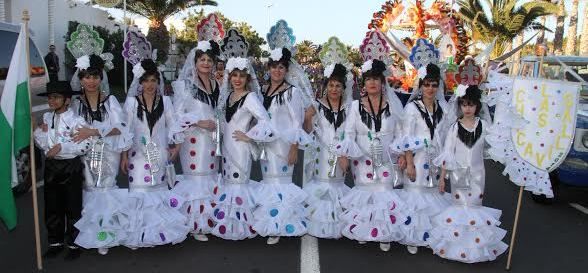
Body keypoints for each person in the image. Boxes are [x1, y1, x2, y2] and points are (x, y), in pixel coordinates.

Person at [429, 85, 508, 263]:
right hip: (458, 174)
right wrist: (442, 178)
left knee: (474, 207)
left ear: (477, 106)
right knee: (460, 207)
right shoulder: (454, 128)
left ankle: (473, 248)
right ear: (460, 106)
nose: (467, 108)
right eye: (464, 104)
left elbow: (497, 141)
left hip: (478, 174)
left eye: (471, 105)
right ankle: (457, 248)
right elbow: (448, 154)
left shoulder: (485, 126)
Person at [337, 59, 407, 252]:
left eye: (376, 79)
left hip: (386, 159)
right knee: (365, 194)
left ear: (382, 82)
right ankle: (363, 230)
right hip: (362, 159)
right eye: (369, 79)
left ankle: (384, 233)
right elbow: (349, 133)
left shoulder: (393, 106)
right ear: (364, 83)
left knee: (384, 193)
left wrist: (401, 154)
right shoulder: (355, 107)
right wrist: (344, 155)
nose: (372, 83)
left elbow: (400, 132)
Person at [121, 59, 190, 248]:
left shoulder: (165, 101)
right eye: (146, 80)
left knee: (158, 195)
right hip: (137, 156)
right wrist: (124, 156)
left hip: (159, 155)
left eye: (153, 80)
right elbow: (125, 130)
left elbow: (173, 124)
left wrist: (176, 147)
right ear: (140, 82)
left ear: (158, 82)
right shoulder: (131, 103)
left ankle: (159, 233)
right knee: (140, 194)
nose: (150, 85)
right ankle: (138, 234)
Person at [69, 54, 130, 255]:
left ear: (100, 78)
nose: (91, 81)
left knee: (105, 190)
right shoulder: (75, 104)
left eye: (95, 77)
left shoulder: (110, 101)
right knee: (89, 190)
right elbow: (68, 126)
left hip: (108, 153)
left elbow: (120, 127)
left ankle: (107, 234)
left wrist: (93, 131)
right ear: (80, 79)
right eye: (86, 77)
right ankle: (91, 233)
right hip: (85, 154)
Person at [210, 56, 274, 240]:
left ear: (247, 79)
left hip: (241, 149)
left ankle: (241, 226)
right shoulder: (229, 96)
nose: (237, 79)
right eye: (234, 75)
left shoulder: (250, 97)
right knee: (229, 183)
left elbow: (264, 120)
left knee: (239, 185)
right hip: (227, 148)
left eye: (242, 76)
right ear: (229, 77)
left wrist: (249, 136)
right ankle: (228, 224)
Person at [253, 47, 312, 245]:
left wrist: (294, 147)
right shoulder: (262, 91)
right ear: (268, 68)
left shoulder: (292, 92)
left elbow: (297, 122)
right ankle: (270, 221)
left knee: (281, 184)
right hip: (267, 146)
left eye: (281, 68)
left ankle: (279, 224)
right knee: (269, 183)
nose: (277, 71)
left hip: (284, 146)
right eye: (274, 67)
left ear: (286, 70)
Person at [393, 63, 451, 254]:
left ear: (438, 86)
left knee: (432, 197)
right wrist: (409, 163)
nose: (430, 89)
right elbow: (407, 137)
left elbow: (445, 137)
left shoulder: (443, 107)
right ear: (420, 86)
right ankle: (412, 236)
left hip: (434, 160)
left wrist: (444, 167)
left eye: (434, 85)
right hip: (417, 159)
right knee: (416, 198)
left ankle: (430, 235)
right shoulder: (412, 108)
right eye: (426, 85)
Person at [172, 40, 222, 242]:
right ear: (195, 61)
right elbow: (177, 116)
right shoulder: (184, 86)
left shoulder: (217, 84)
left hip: (212, 140)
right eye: (202, 59)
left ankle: (210, 220)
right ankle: (195, 224)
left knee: (210, 176)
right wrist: (200, 122)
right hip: (193, 139)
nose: (206, 63)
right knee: (197, 178)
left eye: (210, 60)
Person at [34, 81, 90, 260]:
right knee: (52, 205)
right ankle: (55, 242)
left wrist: (62, 148)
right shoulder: (47, 118)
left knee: (72, 205)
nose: (52, 100)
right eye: (50, 97)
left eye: (56, 97)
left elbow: (85, 144)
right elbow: (43, 143)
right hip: (52, 167)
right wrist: (38, 133)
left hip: (70, 166)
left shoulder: (77, 120)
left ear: (67, 100)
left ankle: (75, 243)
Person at [302, 61, 353, 239]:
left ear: (343, 88)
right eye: (331, 85)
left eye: (338, 86)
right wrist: (308, 119)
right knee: (322, 185)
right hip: (321, 156)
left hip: (340, 157)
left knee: (337, 185)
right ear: (326, 86)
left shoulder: (350, 108)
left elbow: (350, 133)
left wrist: (345, 154)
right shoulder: (316, 105)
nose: (334, 89)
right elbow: (307, 131)